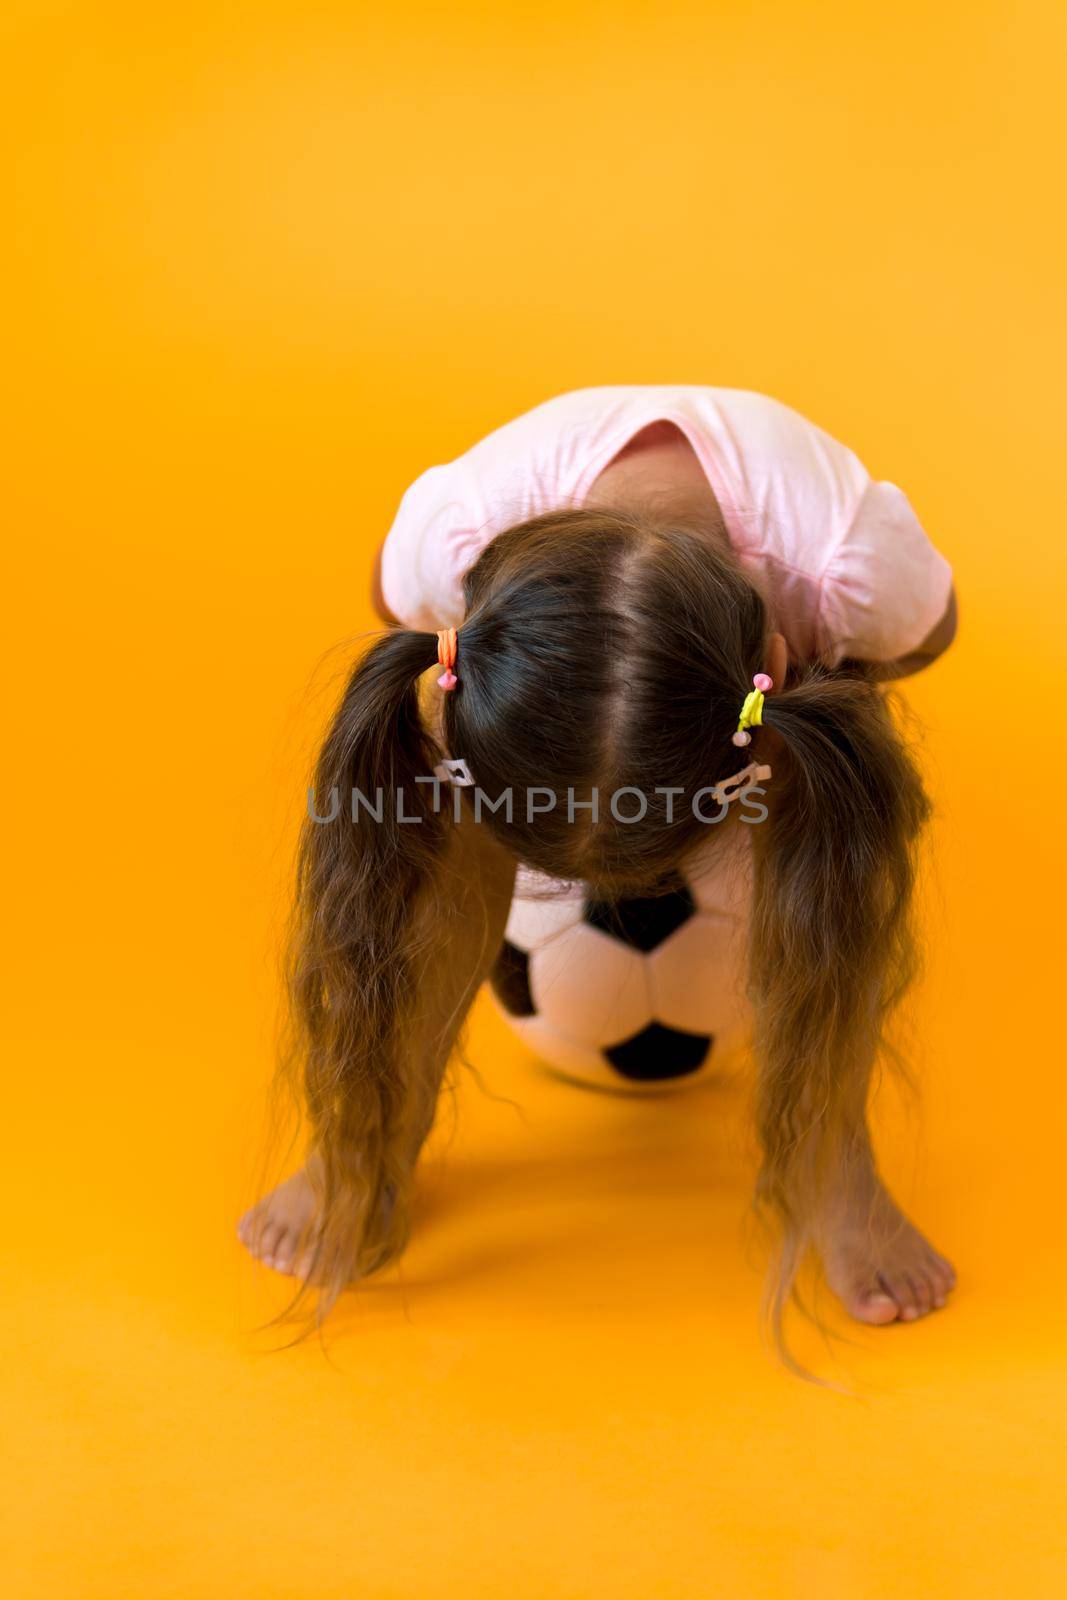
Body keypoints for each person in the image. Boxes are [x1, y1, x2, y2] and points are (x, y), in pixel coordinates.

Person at [238, 385, 958, 1354]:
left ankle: (828, 1150)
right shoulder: (456, 526)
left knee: (842, 772)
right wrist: (507, 703)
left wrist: (804, 697)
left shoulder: (843, 558)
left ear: (770, 658)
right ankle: (370, 1137)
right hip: (588, 659)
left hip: (770, 682)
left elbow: (930, 634)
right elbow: (392, 601)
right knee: (440, 801)